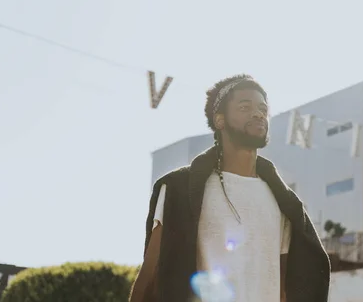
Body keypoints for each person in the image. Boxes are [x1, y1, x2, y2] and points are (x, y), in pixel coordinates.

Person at [129, 74, 330, 302]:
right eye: (245, 107)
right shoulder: (179, 188)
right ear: (220, 120)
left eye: (263, 108)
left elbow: (284, 287)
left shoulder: (282, 200)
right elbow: (150, 276)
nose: (258, 113)